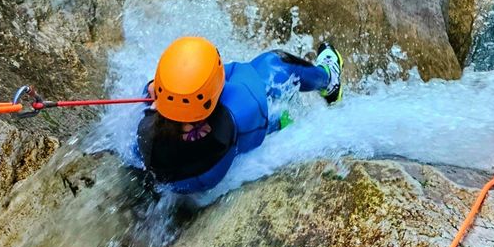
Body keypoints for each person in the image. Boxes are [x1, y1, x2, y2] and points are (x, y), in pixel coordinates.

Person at [136, 36, 343, 193]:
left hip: (179, 178)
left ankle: (278, 121)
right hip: (224, 149)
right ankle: (329, 80)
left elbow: (157, 99)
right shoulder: (242, 107)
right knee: (275, 63)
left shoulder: (146, 130)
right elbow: (239, 71)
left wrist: (162, 90)